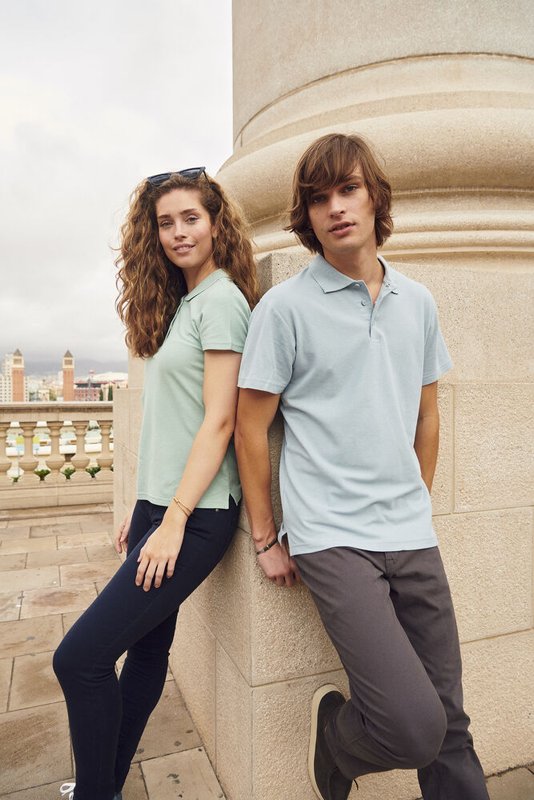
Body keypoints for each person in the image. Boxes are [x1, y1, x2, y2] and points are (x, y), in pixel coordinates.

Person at [235, 133, 489, 800]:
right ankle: (338, 740)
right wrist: (265, 538)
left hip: (410, 531)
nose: (336, 208)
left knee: (451, 725)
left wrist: (417, 499)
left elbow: (426, 415)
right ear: (307, 216)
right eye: (319, 199)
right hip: (332, 537)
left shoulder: (418, 301)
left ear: (375, 196)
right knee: (413, 728)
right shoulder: (284, 309)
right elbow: (250, 427)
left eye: (348, 189)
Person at [53, 167, 257, 800]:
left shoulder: (221, 301)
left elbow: (220, 420)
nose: (177, 233)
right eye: (165, 223)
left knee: (78, 659)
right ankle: (108, 785)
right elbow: (171, 422)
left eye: (190, 218)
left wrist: (171, 520)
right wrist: (143, 507)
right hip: (162, 506)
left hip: (195, 515)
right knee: (145, 654)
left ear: (217, 223)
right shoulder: (183, 304)